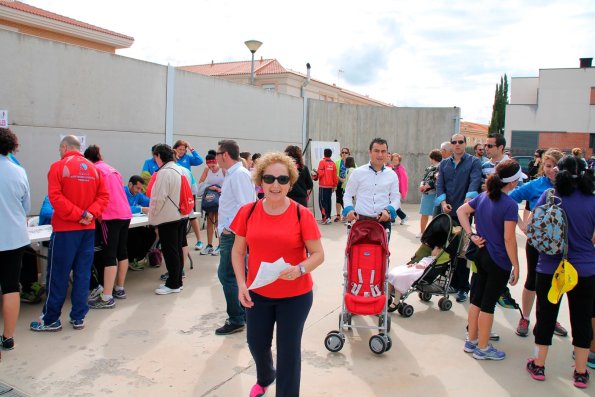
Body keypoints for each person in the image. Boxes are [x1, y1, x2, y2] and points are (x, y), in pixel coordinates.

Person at [231, 152, 324, 397]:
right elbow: (238, 252)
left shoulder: (300, 214)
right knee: (256, 344)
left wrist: (301, 269)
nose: (275, 185)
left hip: (295, 295)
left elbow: (318, 254)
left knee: (288, 351)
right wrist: (241, 284)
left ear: (290, 183)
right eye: (269, 178)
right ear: (260, 181)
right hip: (257, 293)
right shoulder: (247, 212)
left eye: (282, 180)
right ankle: (265, 376)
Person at [525, 155, 595, 389]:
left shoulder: (550, 196)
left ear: (559, 172)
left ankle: (539, 364)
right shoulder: (593, 200)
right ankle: (581, 372)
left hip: (550, 267)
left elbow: (535, 227)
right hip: (584, 270)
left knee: (546, 316)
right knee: (582, 319)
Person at [30, 135, 109, 332]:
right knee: (82, 274)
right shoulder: (94, 168)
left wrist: (79, 214)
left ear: (64, 147)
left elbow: (55, 197)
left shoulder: (58, 166)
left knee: (58, 275)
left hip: (66, 230)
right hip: (87, 230)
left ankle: (50, 320)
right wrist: (89, 214)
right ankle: (78, 317)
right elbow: (103, 196)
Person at [457, 160, 525, 360]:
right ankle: (484, 348)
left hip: (480, 254)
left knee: (476, 299)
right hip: (498, 260)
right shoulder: (510, 205)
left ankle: (472, 340)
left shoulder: (483, 197)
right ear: (512, 182)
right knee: (488, 305)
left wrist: (471, 235)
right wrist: (516, 265)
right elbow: (508, 238)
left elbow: (461, 211)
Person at [510, 149, 567, 338]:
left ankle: (550, 319)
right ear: (543, 166)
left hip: (560, 247)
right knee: (532, 280)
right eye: (548, 166)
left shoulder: (569, 188)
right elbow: (508, 200)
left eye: (555, 166)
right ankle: (525, 317)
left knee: (555, 282)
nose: (551, 170)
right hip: (537, 244)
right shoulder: (536, 185)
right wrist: (522, 225)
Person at [215, 139, 256, 335]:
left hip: (233, 235)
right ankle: (243, 313)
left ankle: (237, 317)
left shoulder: (239, 175)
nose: (215, 158)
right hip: (231, 233)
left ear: (225, 155)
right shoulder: (233, 174)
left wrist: (230, 230)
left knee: (227, 275)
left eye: (217, 154)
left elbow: (246, 206)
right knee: (236, 275)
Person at [84, 145, 133, 306]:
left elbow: (93, 194)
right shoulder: (112, 169)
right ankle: (119, 288)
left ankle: (106, 296)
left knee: (109, 254)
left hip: (109, 215)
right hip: (125, 214)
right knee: (122, 251)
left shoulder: (93, 171)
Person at [435, 133, 482, 303]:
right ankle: (450, 283)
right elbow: (440, 185)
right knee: (446, 249)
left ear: (465, 143)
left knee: (463, 252)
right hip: (447, 214)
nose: (457, 145)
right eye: (454, 142)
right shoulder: (444, 164)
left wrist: (469, 201)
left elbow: (475, 180)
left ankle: (463, 287)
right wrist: (443, 202)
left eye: (460, 142)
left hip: (464, 214)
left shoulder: (474, 162)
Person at [0, 128, 30, 350]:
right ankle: (8, 337)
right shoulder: (18, 172)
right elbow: (25, 206)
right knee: (11, 287)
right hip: (13, 237)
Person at [343, 138, 400, 240]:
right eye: (376, 151)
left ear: (387, 153)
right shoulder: (358, 172)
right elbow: (347, 194)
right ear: (370, 152)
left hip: (383, 223)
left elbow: (396, 198)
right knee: (357, 255)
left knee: (381, 256)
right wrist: (349, 209)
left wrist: (388, 211)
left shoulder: (392, 175)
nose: (380, 155)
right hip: (360, 222)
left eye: (383, 151)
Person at [148, 144, 185, 295]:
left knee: (170, 252)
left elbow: (158, 198)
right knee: (176, 250)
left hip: (167, 217)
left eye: (155, 157)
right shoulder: (178, 169)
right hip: (178, 215)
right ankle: (177, 281)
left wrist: (152, 216)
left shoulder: (164, 172)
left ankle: (173, 284)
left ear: (158, 156)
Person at [172, 140, 204, 251]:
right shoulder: (172, 159)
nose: (181, 152)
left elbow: (199, 160)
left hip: (187, 191)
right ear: (175, 149)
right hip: (175, 192)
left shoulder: (187, 157)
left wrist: (191, 148)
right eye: (180, 149)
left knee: (192, 215)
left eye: (183, 150)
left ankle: (199, 240)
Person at [124, 175, 155, 271]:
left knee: (151, 234)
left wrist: (156, 203)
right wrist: (140, 208)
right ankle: (130, 259)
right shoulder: (121, 192)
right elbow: (123, 208)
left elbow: (148, 201)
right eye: (137, 188)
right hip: (124, 226)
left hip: (135, 223)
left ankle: (137, 258)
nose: (139, 191)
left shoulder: (138, 194)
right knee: (135, 237)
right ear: (130, 184)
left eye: (141, 189)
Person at [198, 150, 225, 256]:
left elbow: (228, 183)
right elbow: (200, 183)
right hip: (210, 199)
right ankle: (209, 245)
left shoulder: (223, 169)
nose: (211, 169)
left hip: (221, 199)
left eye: (213, 166)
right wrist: (209, 187)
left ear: (217, 163)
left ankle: (220, 245)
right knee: (210, 222)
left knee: (219, 222)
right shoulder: (207, 169)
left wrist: (219, 189)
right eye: (209, 167)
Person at [418, 149, 442, 238]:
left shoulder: (440, 167)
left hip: (434, 193)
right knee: (424, 213)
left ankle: (432, 234)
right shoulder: (429, 168)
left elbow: (436, 180)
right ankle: (422, 232)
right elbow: (424, 178)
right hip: (426, 194)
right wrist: (422, 185)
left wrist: (426, 186)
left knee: (435, 216)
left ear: (432, 158)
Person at [313, 148, 337, 224]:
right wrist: (334, 186)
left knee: (322, 202)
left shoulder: (322, 162)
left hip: (323, 186)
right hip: (330, 187)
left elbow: (320, 174)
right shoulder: (333, 163)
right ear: (331, 154)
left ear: (324, 153)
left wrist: (315, 176)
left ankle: (325, 218)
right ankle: (328, 217)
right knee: (328, 202)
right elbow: (335, 176)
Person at [391, 153, 409, 225]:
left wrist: (402, 191)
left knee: (392, 205)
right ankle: (403, 217)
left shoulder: (400, 169)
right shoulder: (393, 168)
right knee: (394, 205)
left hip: (397, 191)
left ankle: (392, 220)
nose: (395, 161)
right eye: (393, 160)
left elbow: (403, 181)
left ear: (399, 161)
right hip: (391, 190)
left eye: (396, 160)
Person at [334, 147, 350, 222]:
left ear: (348, 154)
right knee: (338, 199)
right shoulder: (337, 162)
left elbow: (355, 172)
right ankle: (338, 215)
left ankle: (346, 215)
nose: (344, 154)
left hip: (347, 185)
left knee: (346, 200)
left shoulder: (351, 162)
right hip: (338, 183)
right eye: (342, 152)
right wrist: (339, 179)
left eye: (345, 152)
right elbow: (334, 173)